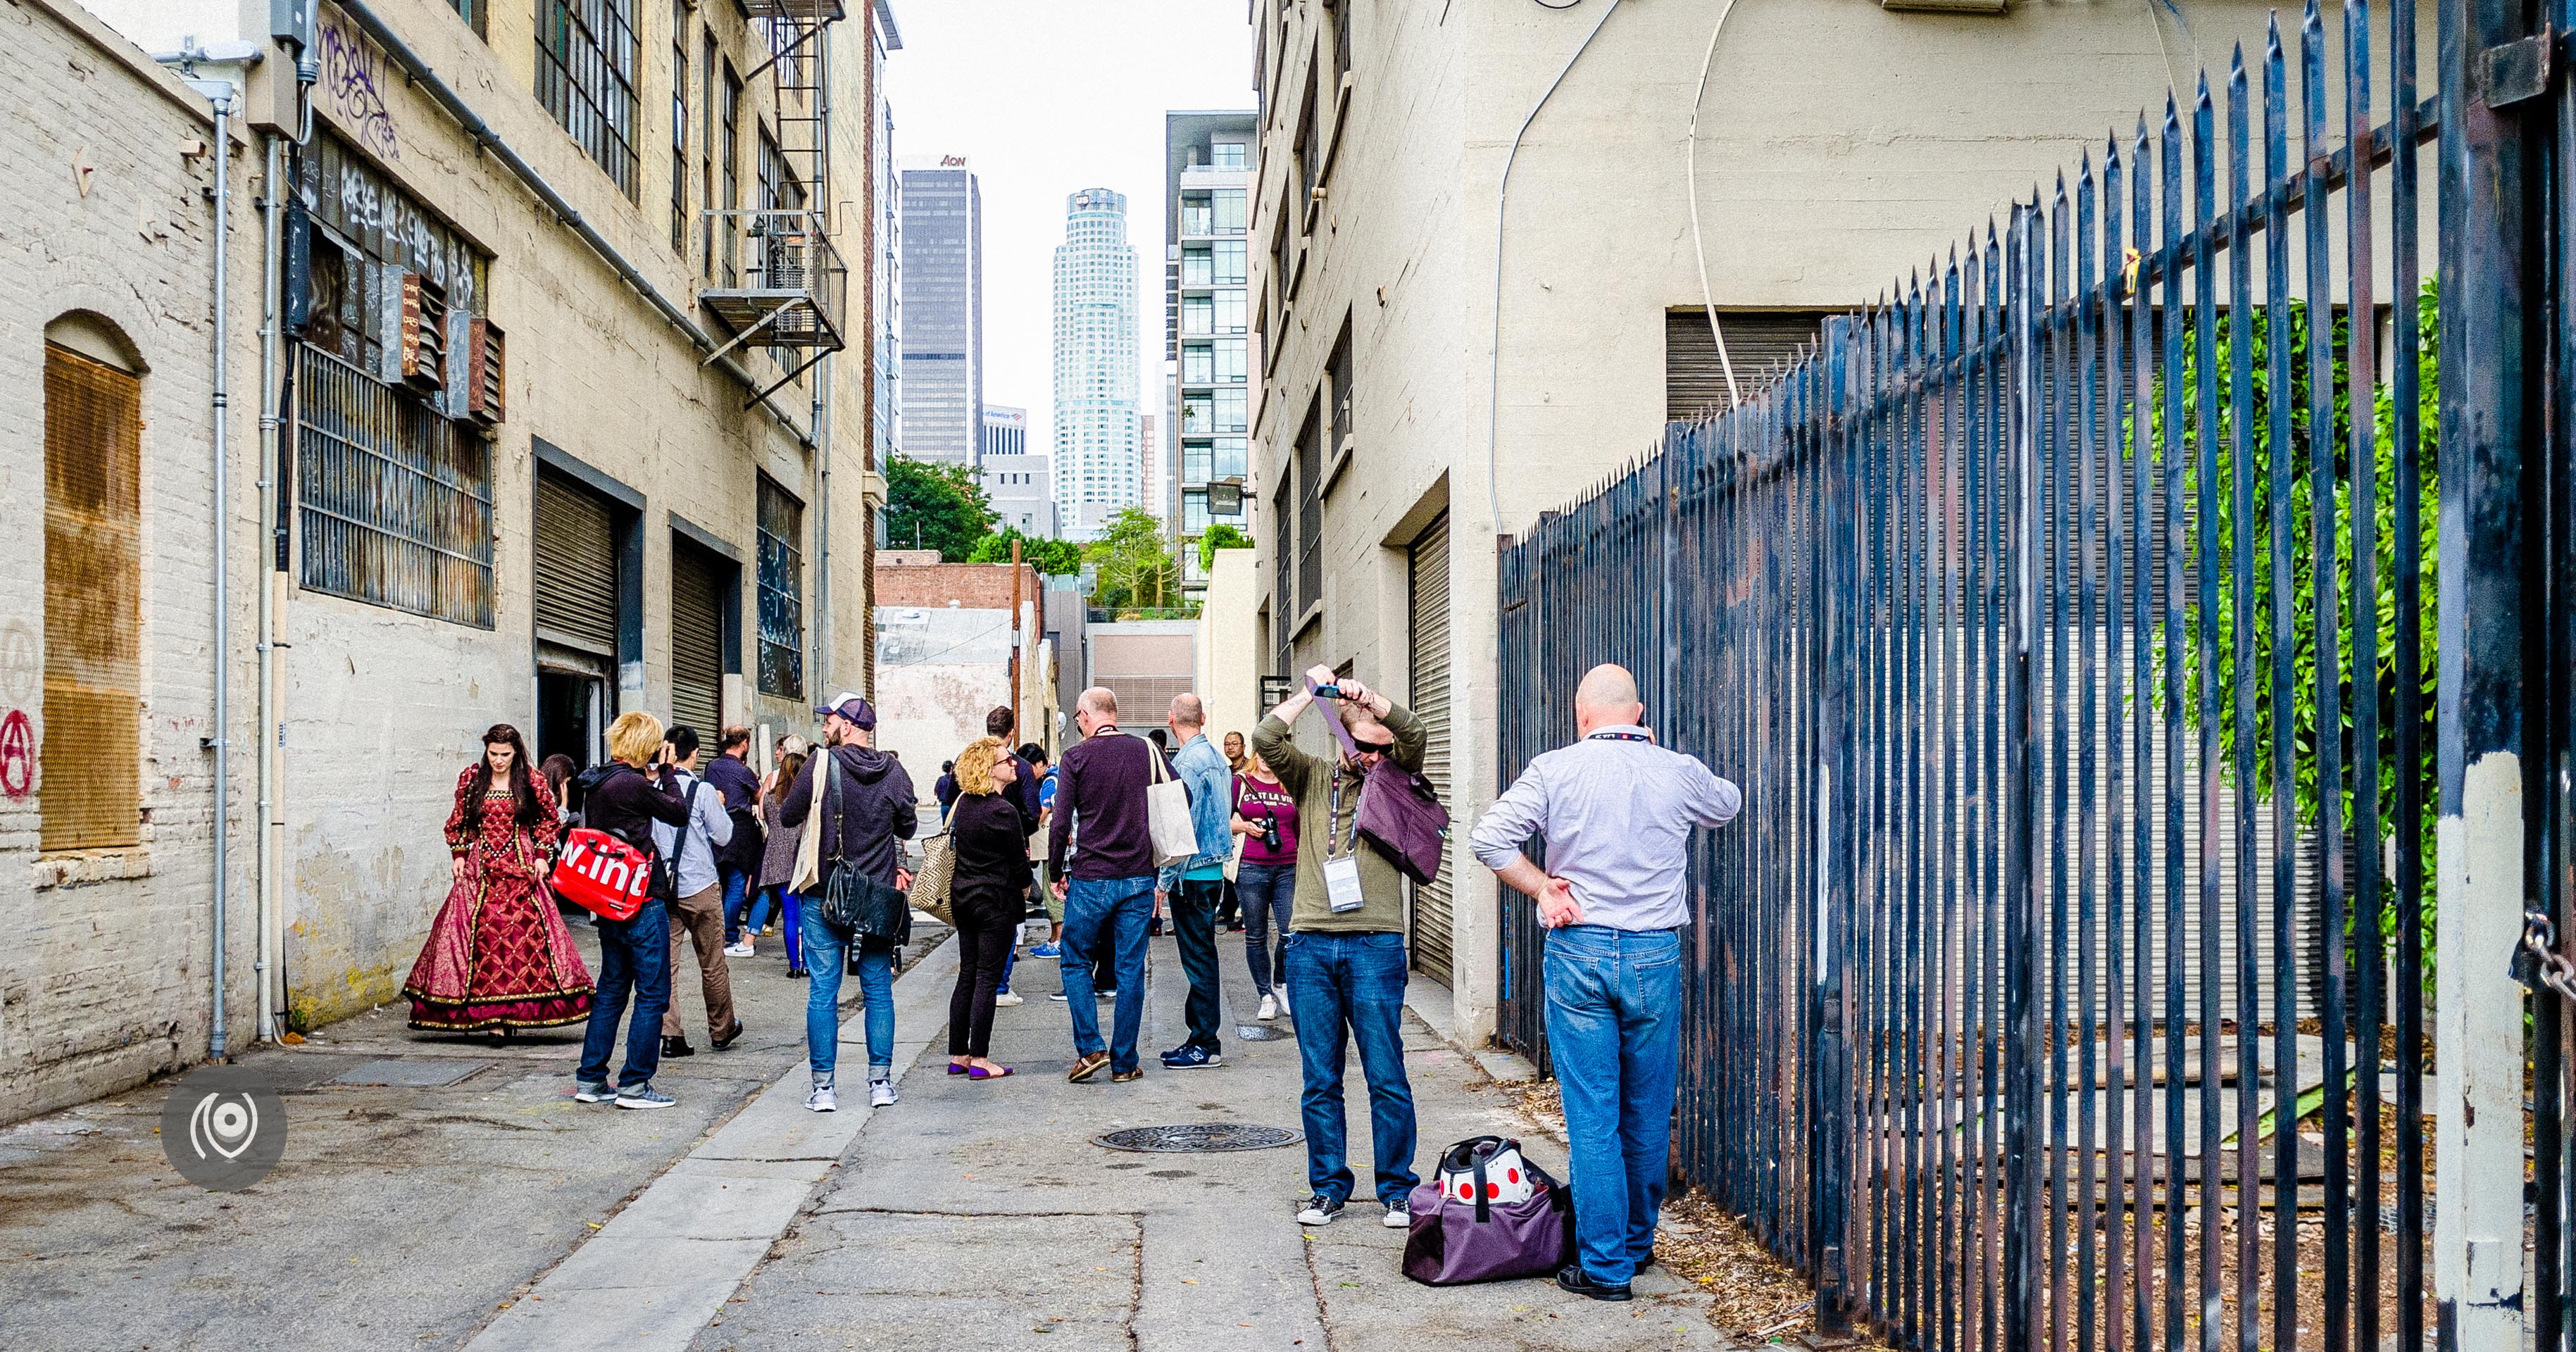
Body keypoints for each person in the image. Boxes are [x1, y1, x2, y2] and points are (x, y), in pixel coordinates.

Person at [1469, 663, 1742, 1302]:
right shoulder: (1675, 770)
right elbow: (1726, 805)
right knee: (1646, 1112)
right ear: (1640, 714)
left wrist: (1545, 887)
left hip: (1580, 949)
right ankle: (1638, 1247)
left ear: (1581, 711)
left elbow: (1489, 838)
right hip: (1653, 955)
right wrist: (1665, 757)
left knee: (1593, 1117)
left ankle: (1605, 1267)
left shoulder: (1554, 768)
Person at [1253, 665, 1427, 1229]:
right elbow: (1265, 739)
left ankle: (1397, 1188)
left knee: (1386, 1072)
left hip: (1375, 942)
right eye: (1366, 748)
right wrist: (1312, 695)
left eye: (1382, 749)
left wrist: (1372, 699)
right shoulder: (1312, 778)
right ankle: (1328, 1187)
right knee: (1320, 1077)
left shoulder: (1399, 774)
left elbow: (1414, 733)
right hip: (1309, 945)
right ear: (1346, 741)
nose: (1377, 758)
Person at [403, 725, 593, 1035]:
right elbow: (460, 820)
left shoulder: (532, 780)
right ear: (486, 751)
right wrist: (460, 856)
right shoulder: (472, 779)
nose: (499, 760)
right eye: (494, 754)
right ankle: (488, 1016)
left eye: (505, 754)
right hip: (481, 868)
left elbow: (548, 819)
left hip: (521, 867)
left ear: (516, 751)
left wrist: (543, 856)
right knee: (479, 936)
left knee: (521, 936)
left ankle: (512, 1013)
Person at [780, 692, 917, 1112]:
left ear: (850, 724)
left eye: (830, 720)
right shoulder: (894, 770)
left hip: (825, 891)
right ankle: (881, 1084)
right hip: (875, 895)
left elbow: (787, 816)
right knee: (877, 988)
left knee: (823, 990)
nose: (824, 728)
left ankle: (823, 1089)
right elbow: (909, 827)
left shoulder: (822, 763)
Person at [570, 711, 695, 1109]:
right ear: (648, 746)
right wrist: (670, 770)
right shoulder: (632, 784)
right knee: (653, 993)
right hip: (643, 899)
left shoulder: (599, 780)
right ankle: (636, 1085)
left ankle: (591, 1080)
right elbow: (678, 811)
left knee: (610, 990)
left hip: (610, 898)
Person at [1047, 687, 1173, 1084]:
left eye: (1078, 719)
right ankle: (1124, 1062)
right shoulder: (1147, 751)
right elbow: (1179, 793)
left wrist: (1054, 872)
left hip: (1091, 877)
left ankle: (1091, 1048)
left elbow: (1061, 821)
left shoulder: (1076, 758)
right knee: (1131, 969)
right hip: (1138, 877)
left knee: (1076, 960)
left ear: (1085, 716)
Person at [654, 725, 741, 1060]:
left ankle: (670, 1034)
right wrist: (718, 803)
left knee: (666, 965)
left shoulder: (653, 788)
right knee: (713, 961)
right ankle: (722, 1030)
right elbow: (724, 835)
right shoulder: (702, 790)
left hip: (664, 889)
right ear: (694, 754)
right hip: (701, 886)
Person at [1155, 694, 1232, 1071]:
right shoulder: (1219, 759)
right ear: (1202, 717)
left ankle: (1205, 1041)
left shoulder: (1185, 762)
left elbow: (1180, 827)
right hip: (1213, 869)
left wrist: (1164, 880)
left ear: (1171, 720)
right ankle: (1201, 1037)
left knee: (1198, 958)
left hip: (1192, 872)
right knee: (1203, 955)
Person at [944, 737, 1029, 1079]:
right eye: (1008, 761)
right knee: (987, 979)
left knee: (968, 973)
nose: (1014, 765)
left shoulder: (964, 805)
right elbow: (1019, 867)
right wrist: (1024, 881)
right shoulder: (1004, 812)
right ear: (989, 770)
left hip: (964, 898)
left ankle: (958, 1054)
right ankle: (980, 1059)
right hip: (996, 902)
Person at [1230, 748, 1297, 1022]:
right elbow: (1224, 820)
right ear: (1256, 754)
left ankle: (1280, 984)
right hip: (1251, 866)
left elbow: (1301, 823)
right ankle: (1265, 995)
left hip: (1288, 865)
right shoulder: (1241, 782)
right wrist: (1246, 826)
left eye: (1273, 752)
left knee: (1290, 931)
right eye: (1263, 753)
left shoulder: (1290, 782)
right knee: (1256, 935)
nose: (1268, 758)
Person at [982, 707, 1043, 1008]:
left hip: (973, 850)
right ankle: (1000, 985)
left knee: (978, 919)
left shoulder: (968, 761)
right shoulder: (1019, 767)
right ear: (1011, 733)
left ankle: (983, 982)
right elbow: (1032, 814)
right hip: (1012, 848)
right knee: (1007, 917)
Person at [706, 727, 763, 956]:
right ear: (745, 744)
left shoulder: (711, 766)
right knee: (738, 884)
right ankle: (729, 936)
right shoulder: (743, 770)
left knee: (721, 883)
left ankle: (716, 933)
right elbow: (759, 796)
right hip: (739, 830)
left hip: (714, 825)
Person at [758, 745, 811, 978]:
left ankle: (794, 965)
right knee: (807, 915)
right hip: (802, 861)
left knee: (790, 915)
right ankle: (808, 964)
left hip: (777, 862)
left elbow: (763, 817)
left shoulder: (770, 799)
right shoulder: (807, 801)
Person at [1024, 744, 1063, 958]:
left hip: (1054, 847)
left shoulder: (1050, 781)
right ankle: (1054, 937)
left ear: (1041, 763)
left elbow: (1041, 812)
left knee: (1053, 893)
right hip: (1058, 846)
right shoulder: (1053, 777)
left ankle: (1058, 940)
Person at [1215, 731, 1249, 932]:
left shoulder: (1251, 768)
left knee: (1242, 870)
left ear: (1243, 746)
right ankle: (1227, 910)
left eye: (1234, 744)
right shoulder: (1226, 772)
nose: (1230, 748)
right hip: (1230, 825)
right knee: (1229, 868)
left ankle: (1243, 915)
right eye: (1227, 744)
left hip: (1246, 824)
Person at [935, 760, 959, 825]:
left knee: (945, 826)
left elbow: (936, 792)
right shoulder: (957, 780)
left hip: (944, 805)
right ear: (952, 768)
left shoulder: (941, 779)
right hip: (953, 806)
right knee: (953, 827)